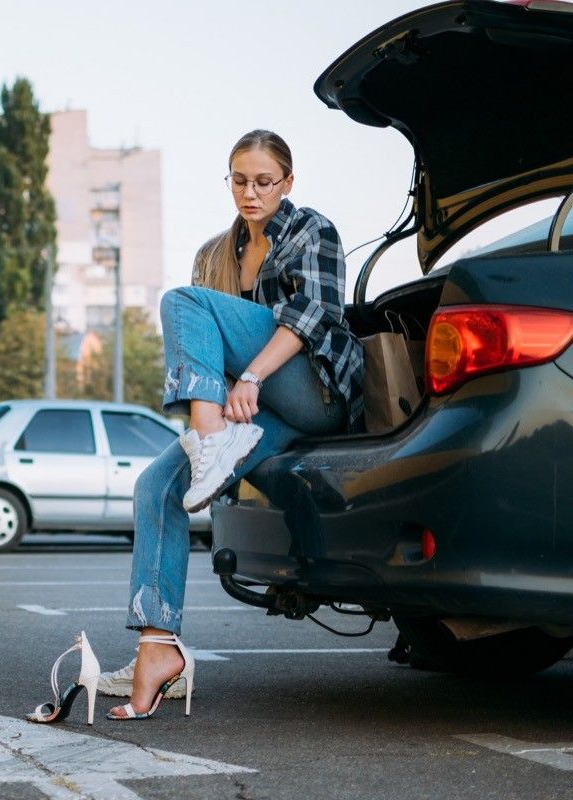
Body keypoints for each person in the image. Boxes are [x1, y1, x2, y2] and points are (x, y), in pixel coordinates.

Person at [101, 129, 364, 720]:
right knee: (156, 488)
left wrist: (247, 380)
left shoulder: (310, 230)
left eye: (264, 181)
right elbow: (200, 355)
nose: (250, 192)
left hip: (311, 388)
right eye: (239, 180)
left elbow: (314, 317)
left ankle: (209, 441)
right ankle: (157, 648)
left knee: (182, 302)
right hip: (256, 411)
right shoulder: (215, 253)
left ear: (288, 182)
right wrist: (228, 394)